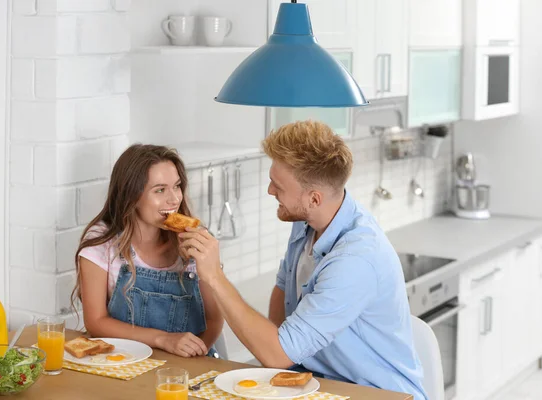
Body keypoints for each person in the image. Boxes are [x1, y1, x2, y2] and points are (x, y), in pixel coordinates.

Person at [180, 121, 427, 399]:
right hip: (321, 385)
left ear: (314, 198)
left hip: (375, 393)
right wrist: (277, 354)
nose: (270, 191)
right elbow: (283, 290)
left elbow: (277, 355)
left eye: (278, 186)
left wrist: (214, 276)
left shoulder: (355, 260)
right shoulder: (307, 221)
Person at [72, 144, 223, 358]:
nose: (174, 199)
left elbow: (214, 320)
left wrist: (196, 353)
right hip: (124, 361)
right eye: (160, 190)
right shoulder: (101, 242)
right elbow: (96, 322)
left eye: (177, 186)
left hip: (190, 363)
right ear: (131, 196)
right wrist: (163, 340)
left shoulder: (196, 242)